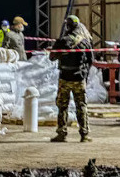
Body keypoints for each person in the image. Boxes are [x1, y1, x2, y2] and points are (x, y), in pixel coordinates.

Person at [49, 15, 93, 143]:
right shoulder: (85, 42)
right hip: (79, 78)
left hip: (64, 78)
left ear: (67, 26)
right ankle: (84, 134)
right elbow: (91, 60)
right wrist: (85, 75)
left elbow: (52, 57)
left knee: (62, 106)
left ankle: (62, 133)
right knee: (82, 106)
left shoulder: (62, 41)